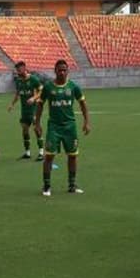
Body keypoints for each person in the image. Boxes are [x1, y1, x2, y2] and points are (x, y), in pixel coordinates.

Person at [33, 60, 90, 196]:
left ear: (68, 71)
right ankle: (46, 186)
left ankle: (72, 185)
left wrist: (86, 122)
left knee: (72, 156)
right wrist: (37, 123)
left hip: (70, 127)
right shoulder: (48, 87)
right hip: (54, 127)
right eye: (60, 70)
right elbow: (40, 105)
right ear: (55, 71)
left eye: (64, 70)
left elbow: (83, 103)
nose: (62, 72)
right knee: (49, 156)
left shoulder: (73, 86)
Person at [7, 61, 44, 159]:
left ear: (24, 68)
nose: (18, 71)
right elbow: (17, 94)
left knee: (37, 129)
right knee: (25, 131)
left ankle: (41, 152)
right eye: (17, 70)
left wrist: (34, 98)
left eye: (19, 69)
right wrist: (12, 104)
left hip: (34, 110)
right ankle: (27, 153)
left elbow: (41, 91)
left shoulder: (33, 79)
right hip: (24, 111)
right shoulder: (19, 81)